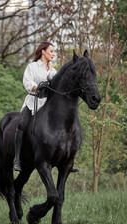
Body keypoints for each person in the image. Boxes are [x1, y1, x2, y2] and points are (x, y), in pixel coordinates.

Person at [13, 41, 79, 173]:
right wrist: (37, 87)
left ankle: (66, 160)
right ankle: (17, 159)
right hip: (33, 102)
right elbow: (27, 82)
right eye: (51, 51)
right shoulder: (32, 67)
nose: (53, 54)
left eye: (54, 52)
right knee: (22, 123)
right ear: (43, 51)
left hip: (48, 105)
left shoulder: (53, 71)